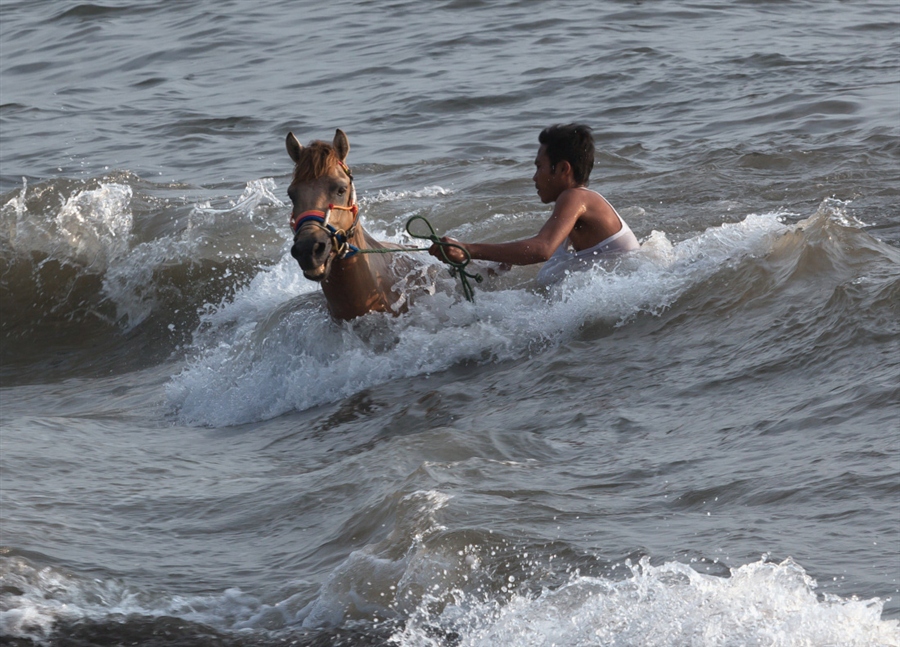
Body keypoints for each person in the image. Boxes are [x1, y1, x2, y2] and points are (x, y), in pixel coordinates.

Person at [429, 124, 640, 285]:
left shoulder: (575, 197)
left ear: (563, 169)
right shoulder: (573, 209)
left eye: (540, 167)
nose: (534, 177)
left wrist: (468, 249)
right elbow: (528, 253)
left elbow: (541, 249)